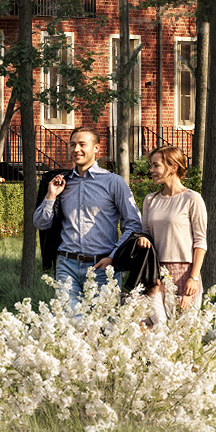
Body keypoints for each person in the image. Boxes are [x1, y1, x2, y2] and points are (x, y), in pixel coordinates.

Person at [31, 128, 141, 305]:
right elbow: (40, 223)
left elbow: (134, 224)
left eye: (83, 144)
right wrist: (51, 196)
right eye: (72, 144)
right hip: (67, 265)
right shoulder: (60, 182)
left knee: (104, 325)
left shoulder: (114, 182)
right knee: (70, 322)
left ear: (97, 148)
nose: (76, 149)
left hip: (103, 266)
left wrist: (114, 256)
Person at [139, 149, 208, 316]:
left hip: (185, 272)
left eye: (156, 165)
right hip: (156, 274)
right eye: (152, 166)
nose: (151, 170)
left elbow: (200, 242)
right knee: (157, 330)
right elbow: (146, 233)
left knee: (185, 331)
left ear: (173, 167)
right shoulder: (150, 200)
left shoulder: (192, 199)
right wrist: (142, 238)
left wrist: (194, 278)